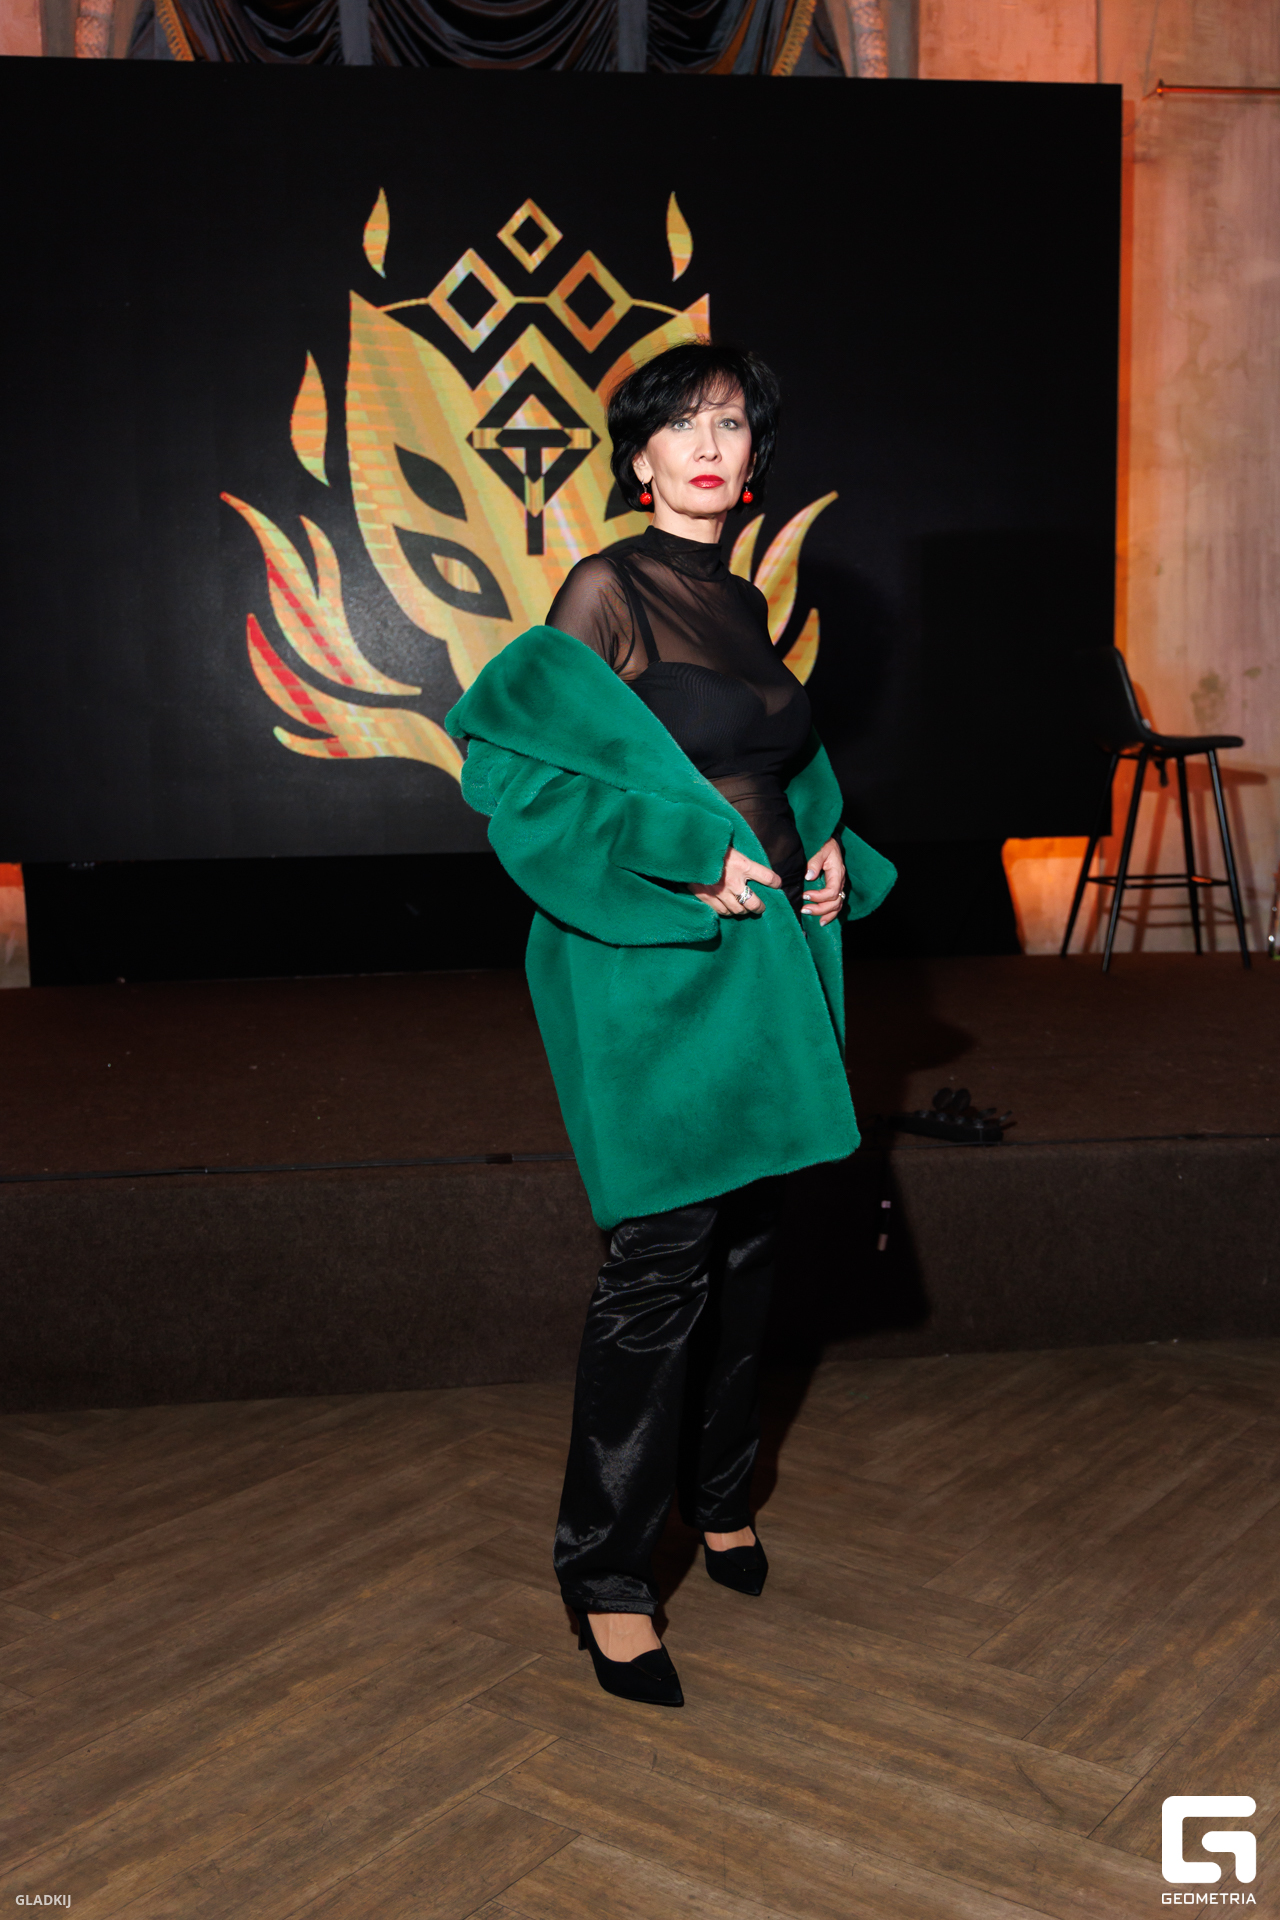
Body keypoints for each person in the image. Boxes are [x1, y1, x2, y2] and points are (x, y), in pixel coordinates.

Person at [447, 342, 894, 1708]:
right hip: (659, 962)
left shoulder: (745, 600)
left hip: (769, 962)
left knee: (752, 1249)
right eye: (681, 425)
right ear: (638, 457)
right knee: (660, 1265)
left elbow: (769, 759)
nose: (708, 444)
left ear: (756, 460)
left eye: (732, 425)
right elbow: (518, 777)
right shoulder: (606, 591)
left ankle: (719, 1493)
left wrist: (824, 839)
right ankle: (607, 1576)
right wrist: (678, 862)